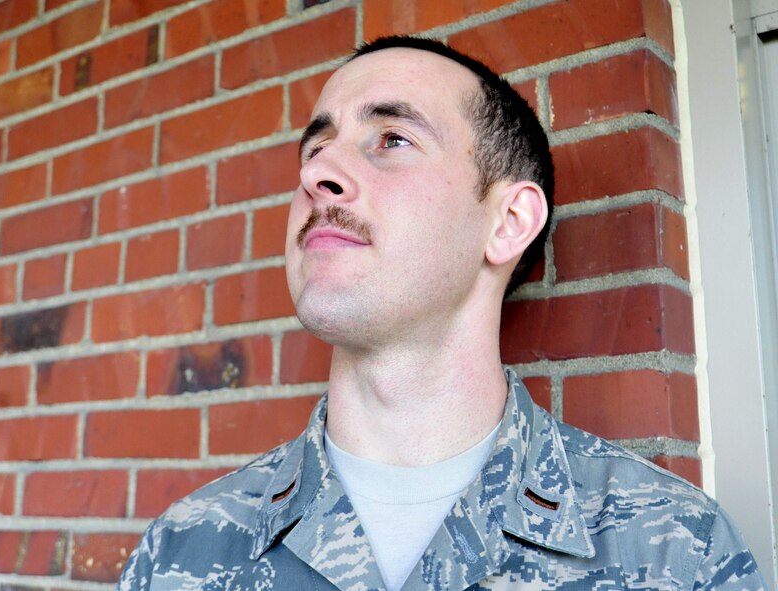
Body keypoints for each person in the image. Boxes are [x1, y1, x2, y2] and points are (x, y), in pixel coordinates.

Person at [118, 36, 765, 591]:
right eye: (315, 152)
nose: (320, 175)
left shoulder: (673, 552)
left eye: (391, 139)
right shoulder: (181, 552)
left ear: (508, 222)